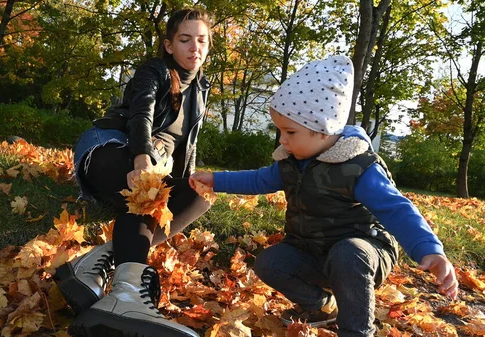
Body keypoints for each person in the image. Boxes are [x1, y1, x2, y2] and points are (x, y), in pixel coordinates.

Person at [189, 55, 458, 337]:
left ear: (323, 129)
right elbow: (258, 179)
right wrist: (215, 179)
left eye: (290, 131)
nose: (282, 139)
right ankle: (323, 306)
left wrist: (430, 249)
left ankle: (356, 331)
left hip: (364, 254)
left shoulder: (357, 167)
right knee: (270, 262)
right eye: (279, 130)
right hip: (312, 253)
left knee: (348, 253)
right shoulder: (291, 163)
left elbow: (397, 209)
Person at [54, 8, 213, 337]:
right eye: (185, 39)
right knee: (150, 185)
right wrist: (142, 158)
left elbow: (186, 145)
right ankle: (126, 298)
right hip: (113, 145)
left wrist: (184, 182)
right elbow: (140, 114)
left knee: (201, 194)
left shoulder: (201, 89)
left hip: (156, 164)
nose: (194, 47)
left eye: (202, 40)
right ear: (169, 45)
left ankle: (101, 259)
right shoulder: (154, 70)